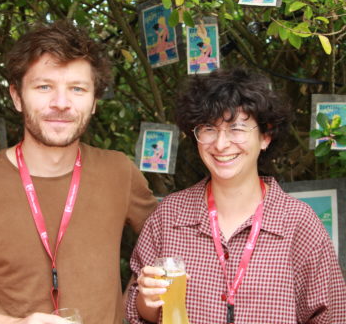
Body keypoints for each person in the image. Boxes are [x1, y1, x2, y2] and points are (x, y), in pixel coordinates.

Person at [0, 21, 157, 324]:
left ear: (94, 102)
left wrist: (132, 302)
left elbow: (170, 244)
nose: (61, 103)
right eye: (44, 87)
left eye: (77, 89)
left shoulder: (119, 172)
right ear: (17, 96)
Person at [126, 68, 346, 324]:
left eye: (237, 128)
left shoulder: (298, 223)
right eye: (209, 128)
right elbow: (136, 310)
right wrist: (147, 300)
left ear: (265, 136)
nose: (221, 144)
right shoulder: (169, 216)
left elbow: (332, 317)